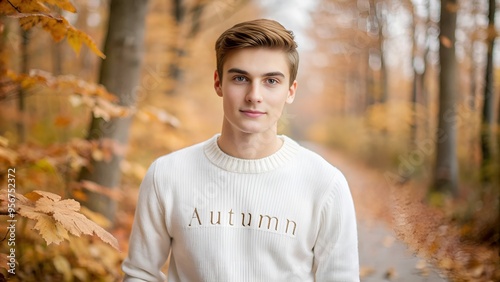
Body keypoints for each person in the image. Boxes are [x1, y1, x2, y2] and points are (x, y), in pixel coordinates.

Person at [122, 19, 359, 281]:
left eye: (271, 81)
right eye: (240, 78)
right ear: (218, 83)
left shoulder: (326, 184)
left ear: (290, 91)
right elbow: (140, 274)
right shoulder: (167, 175)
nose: (254, 95)